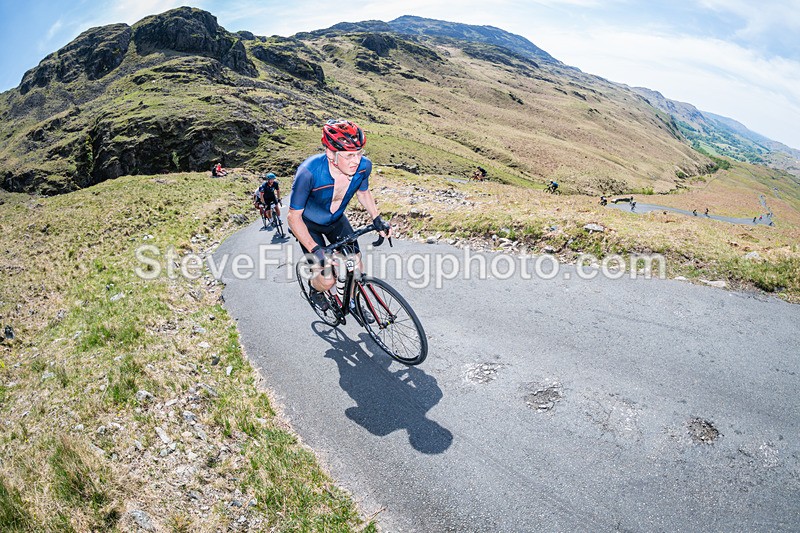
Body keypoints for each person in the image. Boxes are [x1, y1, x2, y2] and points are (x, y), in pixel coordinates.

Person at [288, 119, 391, 311]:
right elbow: (293, 217)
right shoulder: (308, 172)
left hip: (336, 220)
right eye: (349, 155)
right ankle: (315, 290)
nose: (356, 160)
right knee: (327, 280)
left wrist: (377, 219)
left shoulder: (363, 167)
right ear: (330, 153)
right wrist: (316, 249)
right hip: (309, 226)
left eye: (359, 153)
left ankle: (352, 302)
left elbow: (363, 192)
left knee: (356, 267)